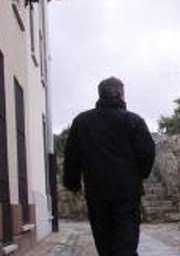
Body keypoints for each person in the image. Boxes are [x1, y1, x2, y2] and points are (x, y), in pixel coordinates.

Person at [63, 77, 156, 256]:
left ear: (100, 95)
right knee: (126, 241)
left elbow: (72, 156)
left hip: (96, 191)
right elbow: (147, 153)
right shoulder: (134, 121)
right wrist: (140, 175)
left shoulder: (82, 122)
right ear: (121, 95)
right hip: (127, 192)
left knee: (104, 241)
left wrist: (72, 183)